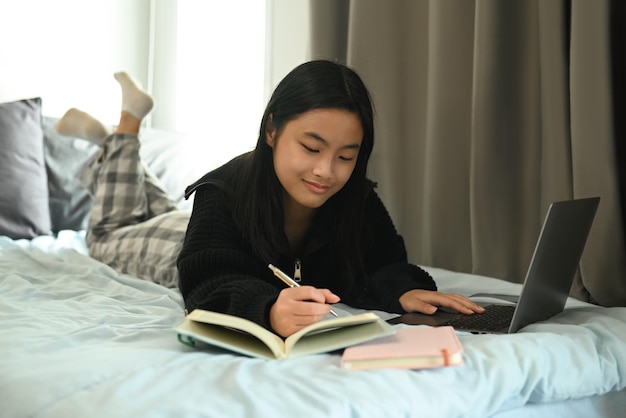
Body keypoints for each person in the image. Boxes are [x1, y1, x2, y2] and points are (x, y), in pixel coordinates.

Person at [56, 60, 484, 338]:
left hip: (190, 222)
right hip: (174, 247)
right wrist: (267, 311)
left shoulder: (355, 197)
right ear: (272, 130)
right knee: (108, 233)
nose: (326, 171)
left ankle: (111, 146)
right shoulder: (221, 193)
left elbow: (384, 261)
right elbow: (209, 283)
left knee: (163, 204)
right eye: (312, 148)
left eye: (346, 156)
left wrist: (402, 291)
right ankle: (126, 127)